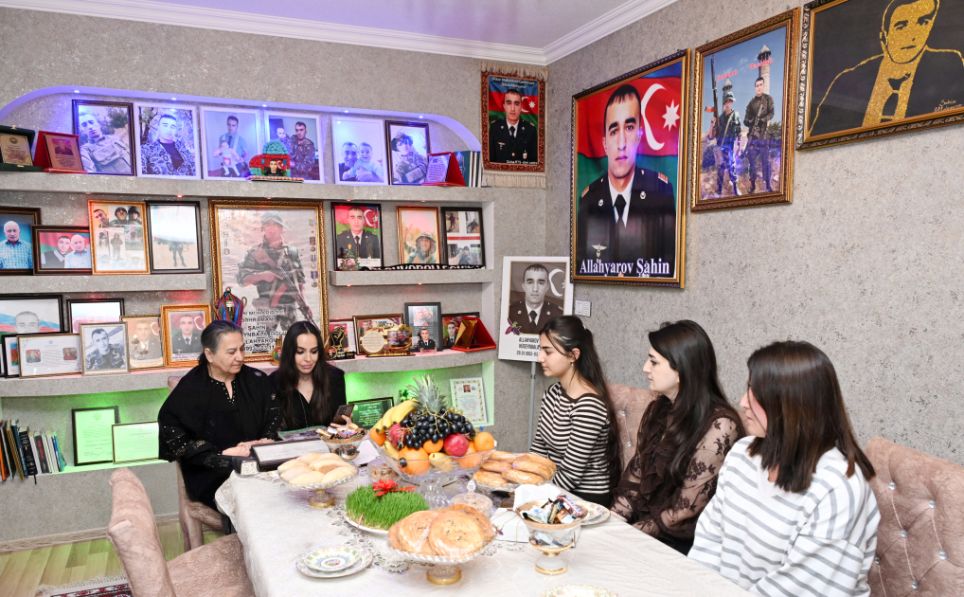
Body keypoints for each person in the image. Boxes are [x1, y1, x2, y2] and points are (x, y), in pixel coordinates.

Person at [689, 341, 879, 595]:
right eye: (747, 388)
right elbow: (710, 539)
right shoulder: (743, 454)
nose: (743, 402)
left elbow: (802, 588)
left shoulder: (839, 487)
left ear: (790, 404)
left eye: (755, 393)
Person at [611, 320, 743, 554]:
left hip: (677, 542)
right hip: (641, 529)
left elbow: (683, 511)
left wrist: (629, 535)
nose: (645, 368)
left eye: (653, 362)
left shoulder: (721, 425)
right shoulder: (659, 409)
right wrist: (612, 522)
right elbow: (635, 480)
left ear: (681, 369)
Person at [159, 321, 281, 508]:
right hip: (213, 474)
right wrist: (221, 454)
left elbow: (274, 415)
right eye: (232, 352)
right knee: (254, 501)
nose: (240, 357)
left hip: (260, 465)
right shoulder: (191, 388)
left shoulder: (257, 380)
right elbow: (174, 434)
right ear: (209, 354)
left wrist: (263, 441)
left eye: (242, 349)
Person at [809, 0, 964, 137]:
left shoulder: (949, 66)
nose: (912, 35)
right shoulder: (847, 81)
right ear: (884, 35)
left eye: (923, 22)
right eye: (901, 26)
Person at [575, 84, 676, 277]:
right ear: (604, 143)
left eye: (629, 128)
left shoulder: (660, 193)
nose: (621, 144)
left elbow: (669, 267)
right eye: (613, 131)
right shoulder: (589, 199)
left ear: (639, 135)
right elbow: (583, 266)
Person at [531, 316, 620, 507]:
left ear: (573, 355)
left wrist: (535, 495)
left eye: (548, 351)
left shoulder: (589, 405)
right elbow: (538, 450)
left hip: (584, 497)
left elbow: (571, 474)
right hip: (554, 489)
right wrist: (525, 480)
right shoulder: (553, 392)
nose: (540, 358)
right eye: (540, 349)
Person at [269, 321, 348, 430]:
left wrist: (346, 427)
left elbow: (340, 425)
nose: (308, 359)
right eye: (300, 352)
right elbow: (271, 430)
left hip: (328, 441)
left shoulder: (335, 377)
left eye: (314, 351)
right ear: (289, 353)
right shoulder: (274, 383)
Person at [237, 212, 309, 320]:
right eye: (268, 224)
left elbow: (300, 282)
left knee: (294, 331)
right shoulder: (255, 252)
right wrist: (261, 276)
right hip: (266, 308)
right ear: (263, 228)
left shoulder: (292, 252)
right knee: (265, 332)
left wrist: (305, 303)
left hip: (289, 308)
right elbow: (241, 280)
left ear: (281, 228)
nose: (271, 228)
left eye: (275, 224)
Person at [508, 263, 563, 334]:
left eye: (541, 283)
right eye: (530, 282)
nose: (535, 289)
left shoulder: (558, 315)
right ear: (523, 286)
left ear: (547, 287)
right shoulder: (510, 312)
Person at [488, 88, 538, 163]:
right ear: (504, 106)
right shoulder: (494, 128)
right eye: (509, 103)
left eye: (516, 104)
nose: (512, 109)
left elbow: (534, 162)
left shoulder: (530, 130)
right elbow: (490, 161)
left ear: (521, 107)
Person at [76, 107, 132, 174]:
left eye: (91, 122)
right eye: (84, 125)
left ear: (98, 124)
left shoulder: (115, 138)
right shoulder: (85, 150)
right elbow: (91, 173)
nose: (90, 127)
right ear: (82, 130)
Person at [744, 76, 775, 193]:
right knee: (751, 162)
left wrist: (762, 119)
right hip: (753, 138)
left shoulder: (768, 99)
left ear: (763, 86)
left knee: (765, 162)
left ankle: (768, 185)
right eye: (757, 85)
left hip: (764, 137)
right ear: (755, 87)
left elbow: (772, 113)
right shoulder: (751, 103)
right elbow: (745, 120)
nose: (759, 87)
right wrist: (752, 121)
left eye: (761, 85)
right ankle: (752, 185)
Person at [140, 112, 196, 176]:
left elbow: (194, 170)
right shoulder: (146, 149)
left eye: (173, 126)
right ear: (158, 127)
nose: (169, 129)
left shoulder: (183, 149)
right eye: (165, 125)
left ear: (176, 130)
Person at [709, 91, 742, 197]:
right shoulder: (720, 118)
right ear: (724, 103)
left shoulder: (735, 115)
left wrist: (739, 145)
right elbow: (712, 136)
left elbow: (739, 131)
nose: (728, 103)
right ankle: (719, 190)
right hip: (721, 147)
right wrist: (712, 125)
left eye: (730, 101)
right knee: (720, 169)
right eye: (727, 101)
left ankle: (735, 189)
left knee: (732, 167)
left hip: (730, 146)